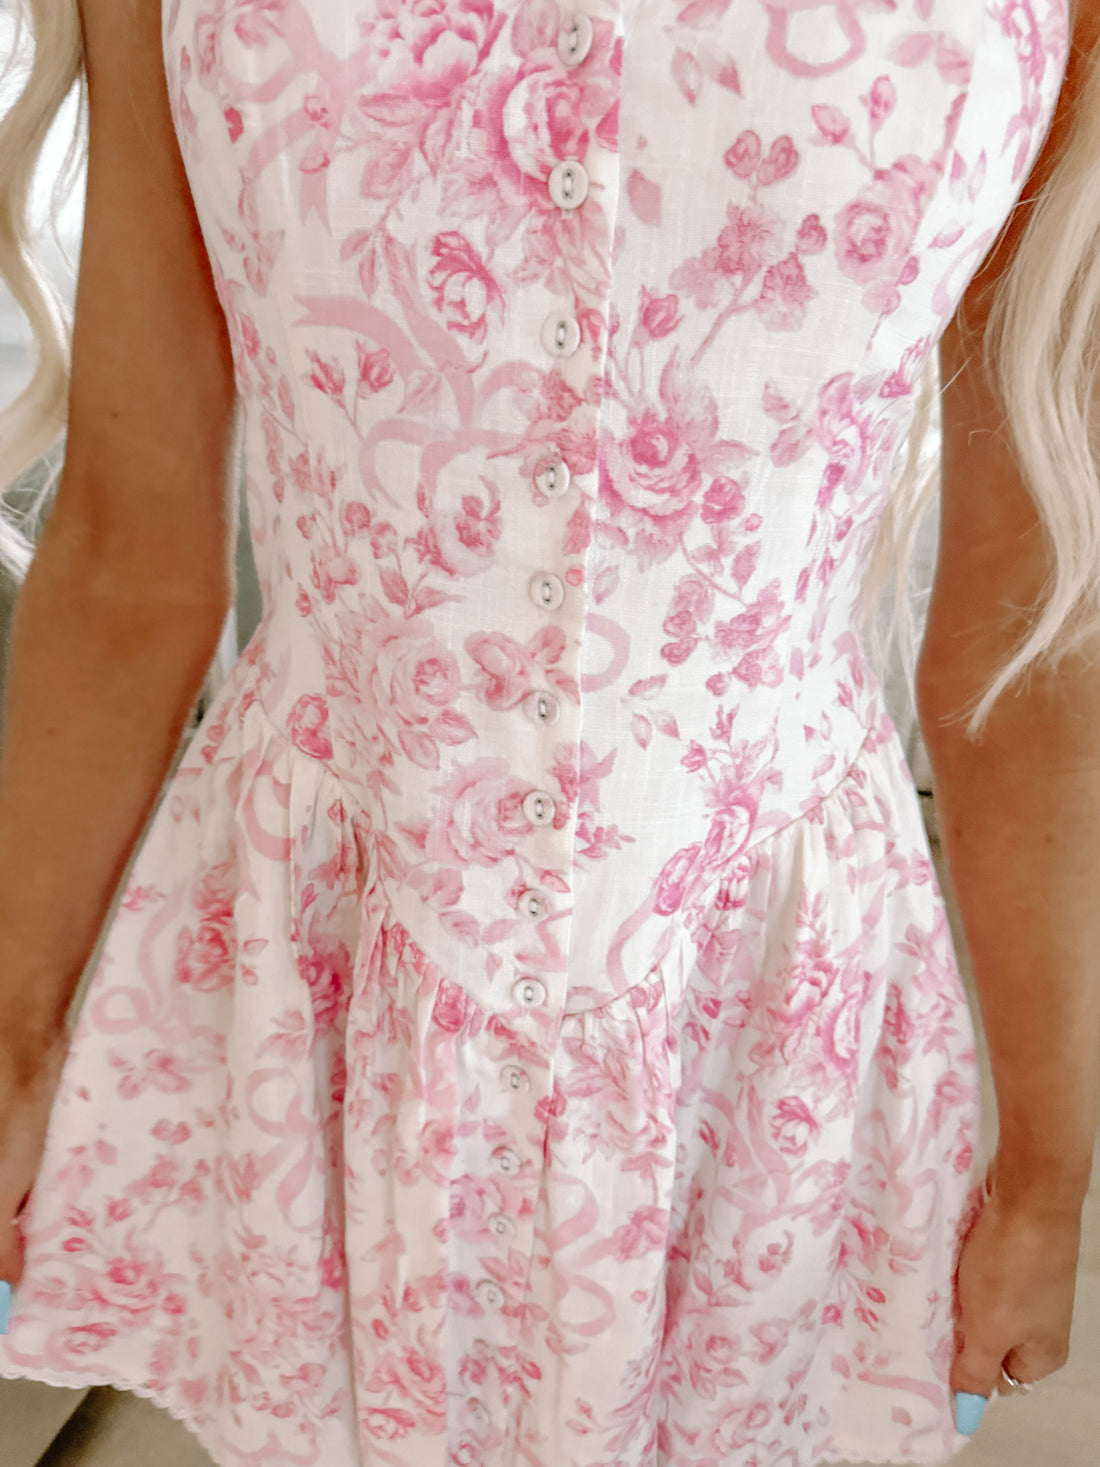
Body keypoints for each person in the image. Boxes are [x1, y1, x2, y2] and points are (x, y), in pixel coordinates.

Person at [0, 0, 1096, 1462]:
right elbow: (134, 549)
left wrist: (1047, 1167)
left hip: (765, 1011)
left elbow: (1028, 646)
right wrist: (13, 1035)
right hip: (319, 974)